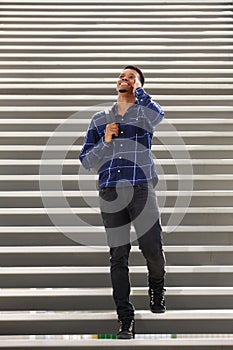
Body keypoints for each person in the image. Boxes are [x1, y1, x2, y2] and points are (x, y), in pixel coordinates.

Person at [79, 66, 166, 339]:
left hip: (141, 186)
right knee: (118, 255)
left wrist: (139, 92)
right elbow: (87, 161)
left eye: (130, 77)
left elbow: (158, 116)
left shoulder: (144, 112)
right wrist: (105, 141)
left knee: (151, 246)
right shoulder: (99, 119)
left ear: (139, 84)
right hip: (110, 191)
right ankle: (125, 318)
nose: (124, 79)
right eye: (121, 76)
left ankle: (157, 284)